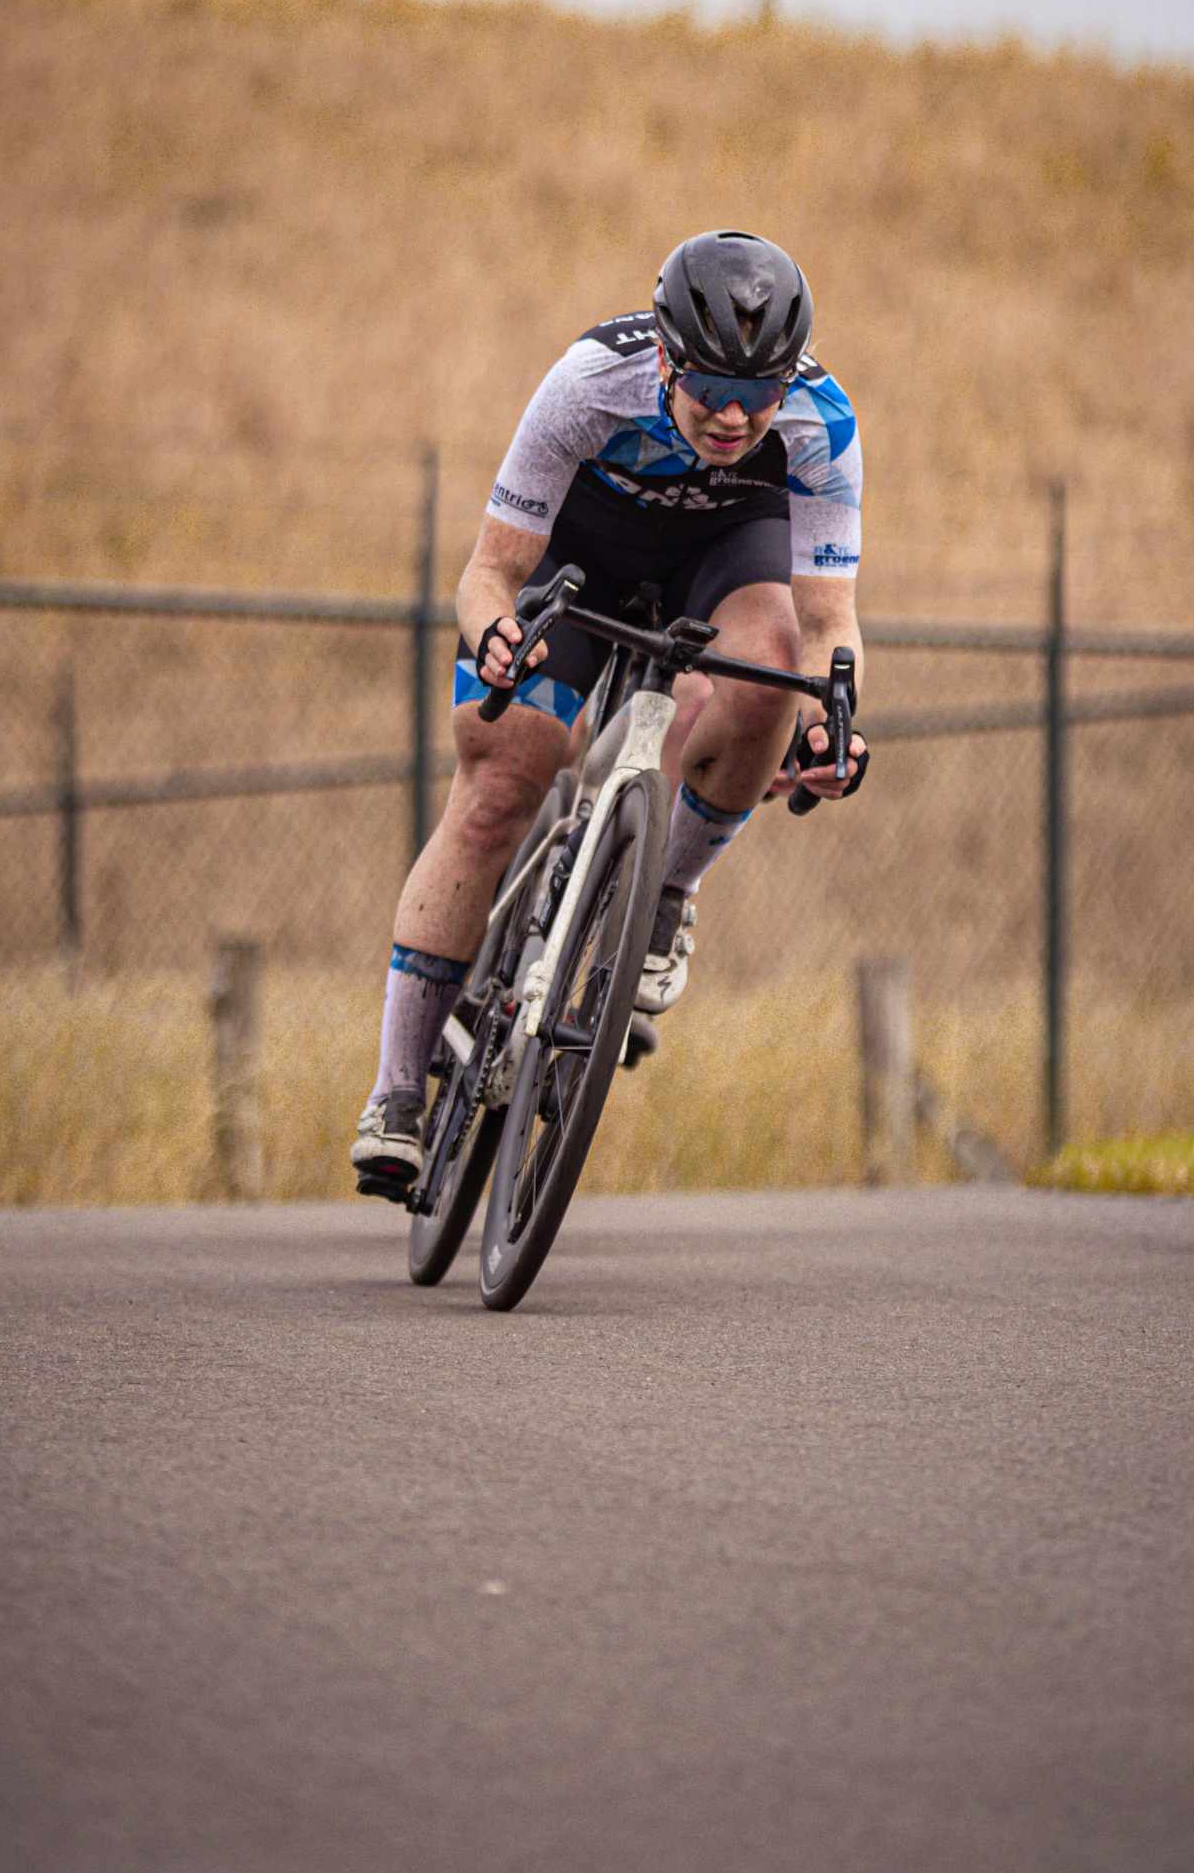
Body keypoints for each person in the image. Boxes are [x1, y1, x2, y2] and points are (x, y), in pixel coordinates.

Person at [352, 228, 868, 1194]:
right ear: (667, 357)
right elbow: (488, 575)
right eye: (710, 387)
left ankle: (664, 895)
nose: (731, 416)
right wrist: (497, 635)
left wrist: (829, 720)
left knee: (772, 671)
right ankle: (396, 1096)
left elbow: (830, 615)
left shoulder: (820, 422)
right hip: (577, 553)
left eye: (759, 395)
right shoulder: (589, 382)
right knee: (501, 778)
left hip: (726, 554)